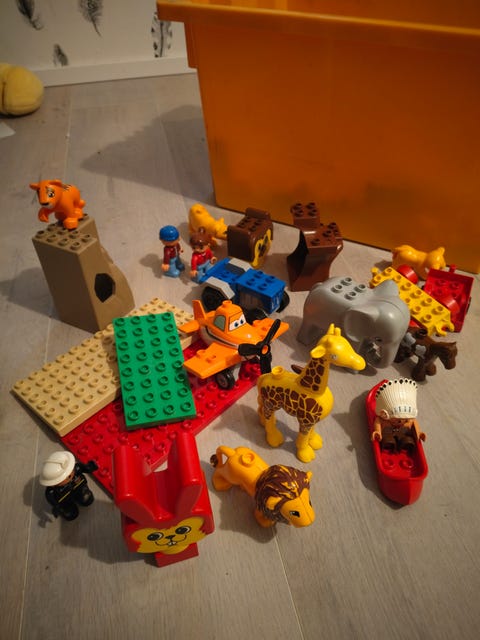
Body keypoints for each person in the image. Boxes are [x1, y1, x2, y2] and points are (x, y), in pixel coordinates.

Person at [40, 451, 98, 521]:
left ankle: (83, 497)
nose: (70, 474)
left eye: (71, 470)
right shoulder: (52, 491)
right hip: (66, 500)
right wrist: (57, 507)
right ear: (53, 483)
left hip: (80, 489)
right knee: (70, 512)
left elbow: (85, 468)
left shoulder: (76, 469)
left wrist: (90, 467)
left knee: (86, 499)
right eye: (66, 477)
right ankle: (69, 509)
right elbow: (52, 500)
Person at [371, 378, 426, 452]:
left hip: (402, 433)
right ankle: (388, 446)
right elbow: (378, 421)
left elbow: (414, 422)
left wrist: (418, 433)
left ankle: (406, 445)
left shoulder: (408, 421)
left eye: (403, 418)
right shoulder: (384, 421)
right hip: (387, 433)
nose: (400, 421)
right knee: (388, 440)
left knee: (408, 440)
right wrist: (378, 432)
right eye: (397, 418)